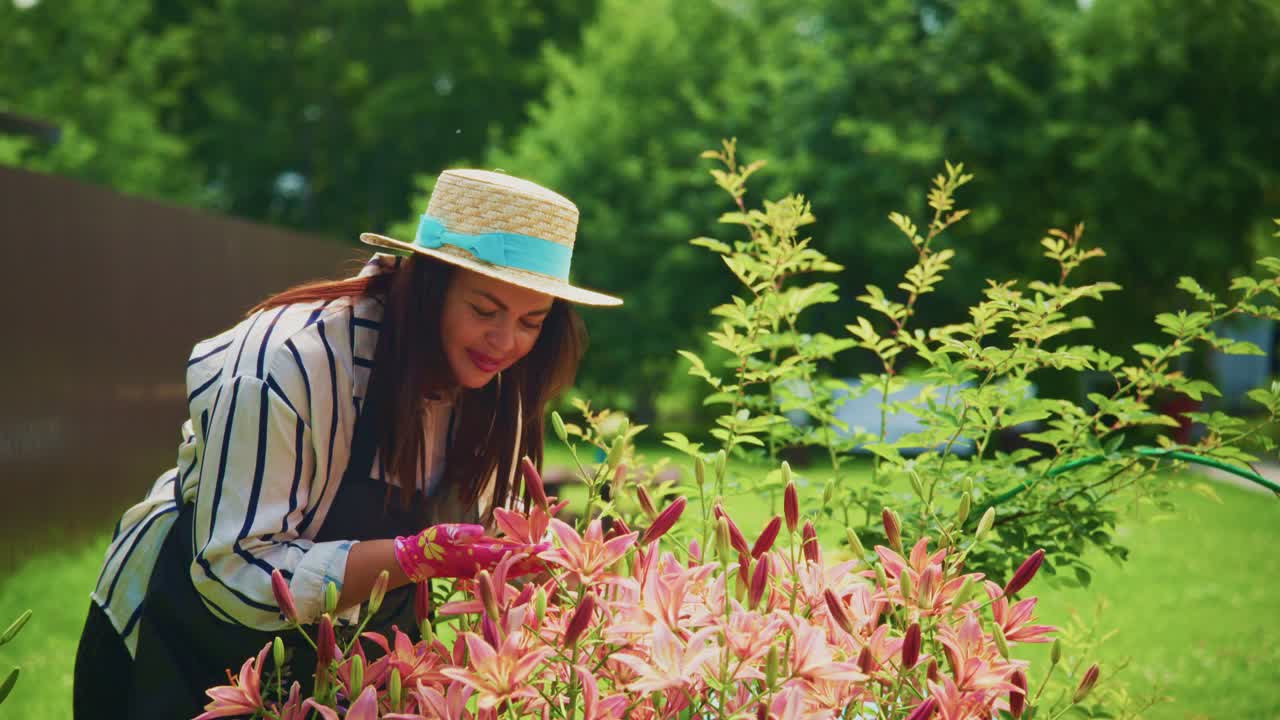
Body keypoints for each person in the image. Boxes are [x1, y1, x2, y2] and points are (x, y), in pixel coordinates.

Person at [72, 169, 621, 719]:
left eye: (532, 321)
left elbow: (489, 543)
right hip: (182, 647)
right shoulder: (288, 361)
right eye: (484, 310)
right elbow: (232, 569)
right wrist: (412, 556)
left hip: (346, 672)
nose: (505, 343)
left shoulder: (500, 380)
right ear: (429, 285)